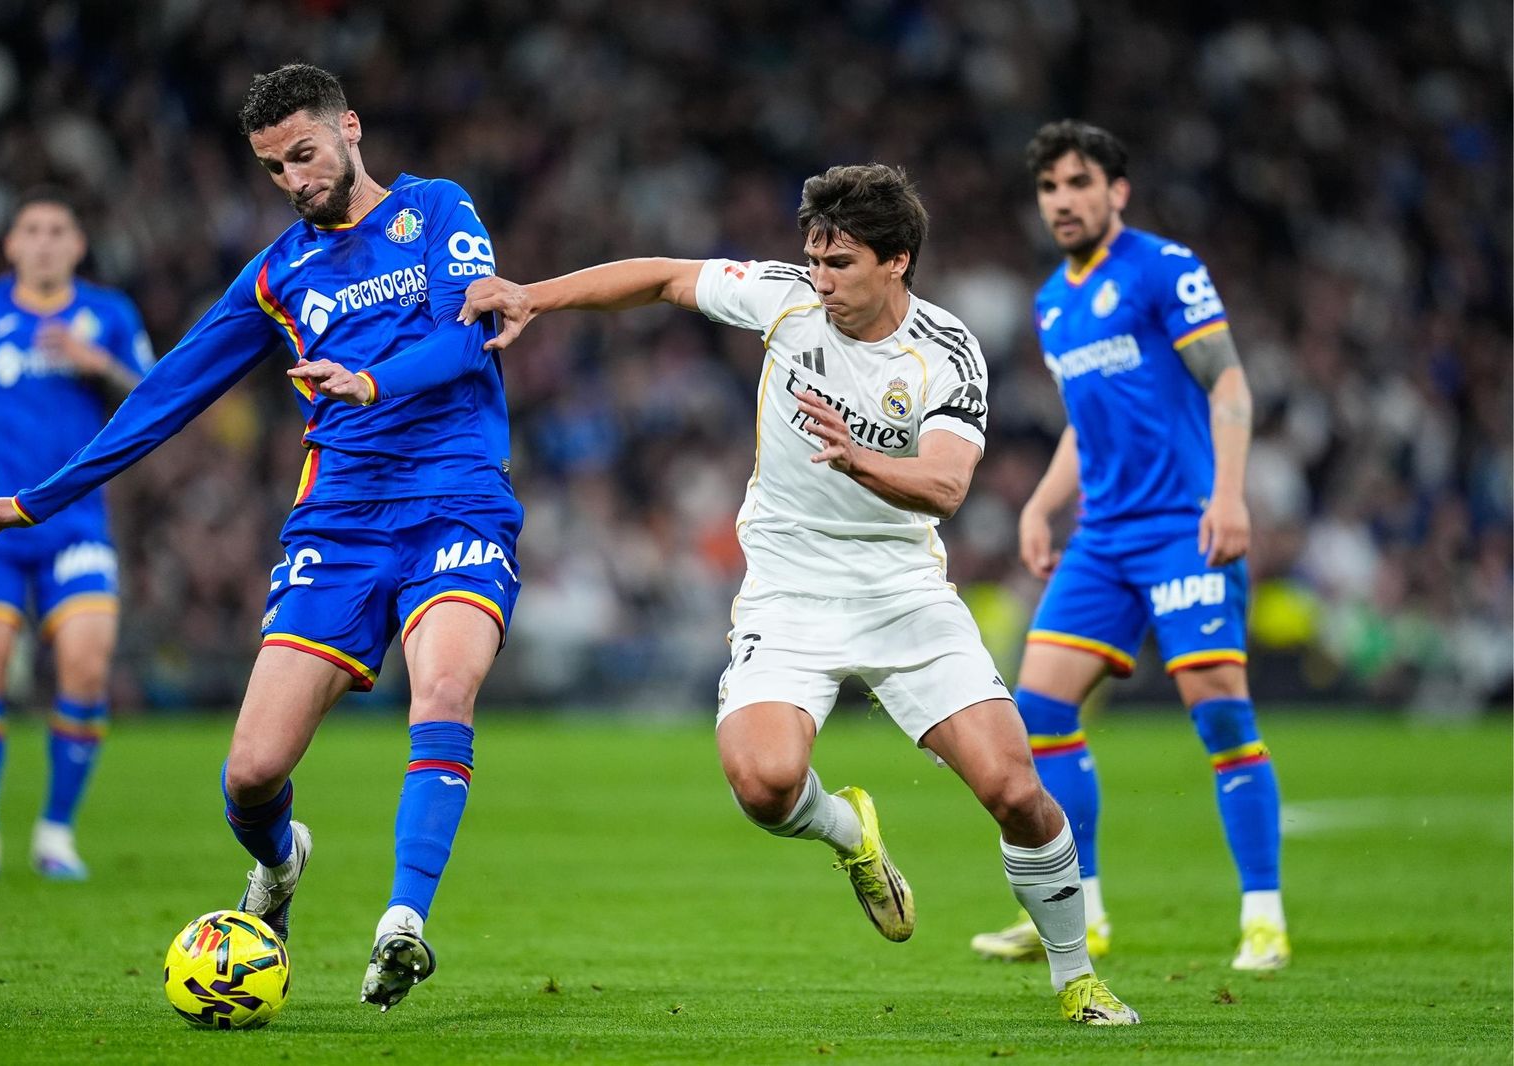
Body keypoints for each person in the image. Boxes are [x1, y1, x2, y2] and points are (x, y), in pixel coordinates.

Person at [461, 163, 1139, 1025]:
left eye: (841, 264)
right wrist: (537, 296)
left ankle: (1076, 976)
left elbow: (946, 486)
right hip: (789, 593)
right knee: (763, 783)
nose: (821, 280)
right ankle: (852, 834)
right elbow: (666, 277)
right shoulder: (784, 298)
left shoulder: (945, 348)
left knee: (1014, 789)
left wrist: (859, 458)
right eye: (814, 260)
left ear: (897, 261)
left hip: (902, 593)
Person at [0, 63, 521, 1012]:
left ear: (350, 128)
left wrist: (372, 382)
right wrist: (39, 499)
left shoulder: (436, 209)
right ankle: (282, 866)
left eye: (304, 154)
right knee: (253, 774)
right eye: (273, 169)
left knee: (446, 681)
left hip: (456, 498)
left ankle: (403, 921)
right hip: (337, 522)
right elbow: (166, 392)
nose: (295, 180)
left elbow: (470, 333)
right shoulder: (276, 275)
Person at [968, 120, 1287, 971]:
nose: (1063, 201)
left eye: (1079, 183)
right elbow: (1087, 423)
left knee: (1218, 711)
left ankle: (1264, 914)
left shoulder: (1163, 268)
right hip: (1102, 537)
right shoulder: (1052, 301)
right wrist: (1041, 505)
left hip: (1184, 525)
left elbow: (1226, 378)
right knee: (1035, 714)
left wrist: (1226, 493)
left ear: (1118, 190)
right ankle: (1082, 914)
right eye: (1049, 188)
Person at [0, 189, 151, 882]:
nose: (45, 241)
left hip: (76, 521)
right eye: (32, 230)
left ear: (78, 246)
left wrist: (96, 363)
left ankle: (55, 833)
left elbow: (158, 391)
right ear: (12, 245)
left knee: (86, 665)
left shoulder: (109, 314)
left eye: (58, 231)